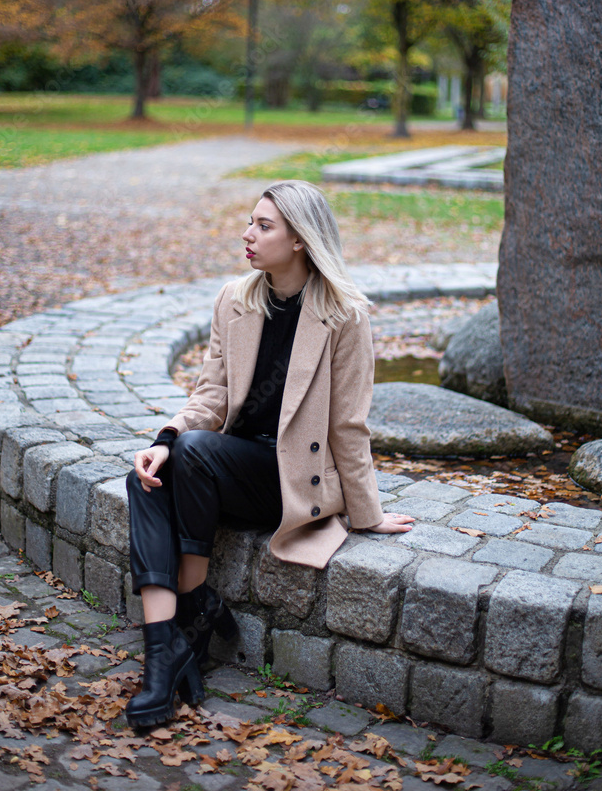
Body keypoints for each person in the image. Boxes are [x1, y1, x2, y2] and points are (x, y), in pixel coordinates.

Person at [125, 179, 414, 729]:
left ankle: (190, 619)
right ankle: (165, 655)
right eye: (250, 223)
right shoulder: (236, 299)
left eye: (263, 226)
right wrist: (163, 440)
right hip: (220, 466)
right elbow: (211, 393)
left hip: (287, 480)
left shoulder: (344, 316)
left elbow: (349, 425)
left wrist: (367, 513)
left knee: (193, 454)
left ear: (301, 239)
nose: (247, 234)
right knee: (151, 473)